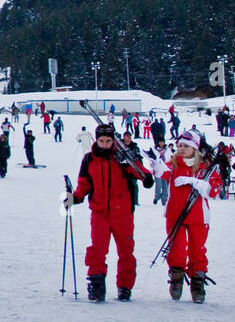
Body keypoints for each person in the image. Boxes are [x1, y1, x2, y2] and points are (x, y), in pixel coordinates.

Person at [65, 124, 152, 302]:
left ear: (113, 141)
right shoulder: (89, 159)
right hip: (99, 212)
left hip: (123, 213)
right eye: (101, 141)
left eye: (108, 141)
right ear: (96, 140)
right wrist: (75, 197)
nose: (104, 144)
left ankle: (125, 286)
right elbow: (84, 184)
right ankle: (97, 284)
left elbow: (143, 175)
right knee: (97, 249)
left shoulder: (122, 158)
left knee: (126, 251)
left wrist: (138, 169)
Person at [161, 131, 221, 303]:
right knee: (176, 249)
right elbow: (161, 173)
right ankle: (177, 277)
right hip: (175, 214)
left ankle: (197, 282)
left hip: (198, 216)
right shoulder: (173, 164)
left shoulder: (204, 168)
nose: (181, 149)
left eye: (186, 146)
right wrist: (156, 165)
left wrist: (196, 183)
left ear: (194, 148)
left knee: (197, 250)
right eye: (179, 145)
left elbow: (214, 191)